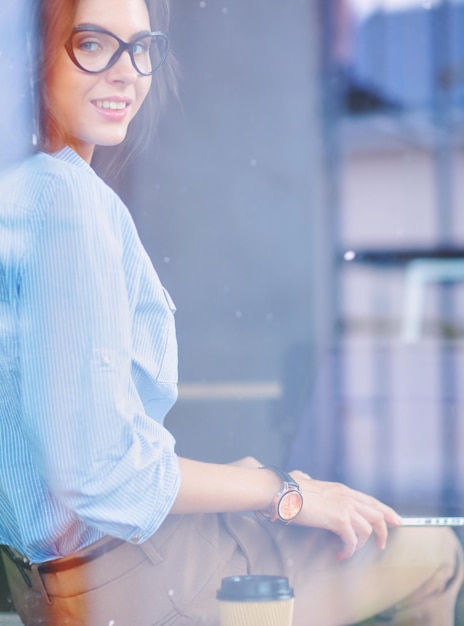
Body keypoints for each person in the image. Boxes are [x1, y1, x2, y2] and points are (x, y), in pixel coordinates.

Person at [0, 0, 462, 624]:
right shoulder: (68, 207)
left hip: (57, 577)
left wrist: (238, 484)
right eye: (92, 44)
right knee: (432, 554)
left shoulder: (20, 194)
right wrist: (286, 493)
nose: (126, 72)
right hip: (133, 579)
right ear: (36, 54)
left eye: (141, 48)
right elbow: (101, 473)